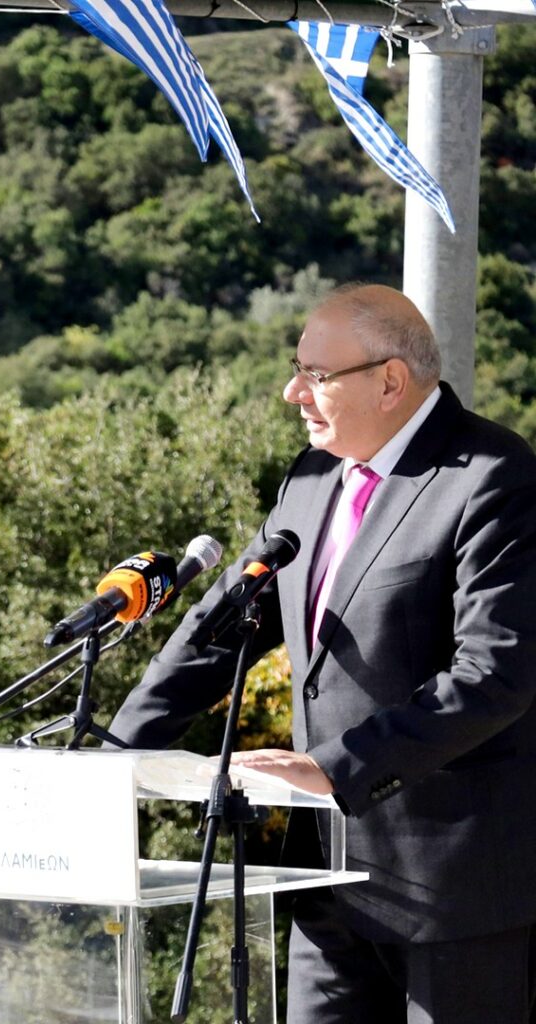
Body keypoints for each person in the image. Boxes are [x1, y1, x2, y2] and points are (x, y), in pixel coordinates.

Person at [109, 285, 536, 1023]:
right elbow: (218, 632)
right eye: (296, 369)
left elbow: (495, 675)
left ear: (390, 381)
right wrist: (113, 757)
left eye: (316, 374)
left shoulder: (493, 476)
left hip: (456, 888)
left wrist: (333, 767)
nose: (292, 392)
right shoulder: (310, 478)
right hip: (325, 883)